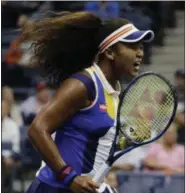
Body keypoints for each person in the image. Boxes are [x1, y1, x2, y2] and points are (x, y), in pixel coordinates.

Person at [26, 11, 154, 193]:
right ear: (110, 52)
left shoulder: (113, 90)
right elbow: (37, 130)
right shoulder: (83, 84)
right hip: (53, 188)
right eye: (133, 46)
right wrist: (69, 177)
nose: (140, 53)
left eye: (141, 47)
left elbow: (93, 142)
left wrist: (127, 141)